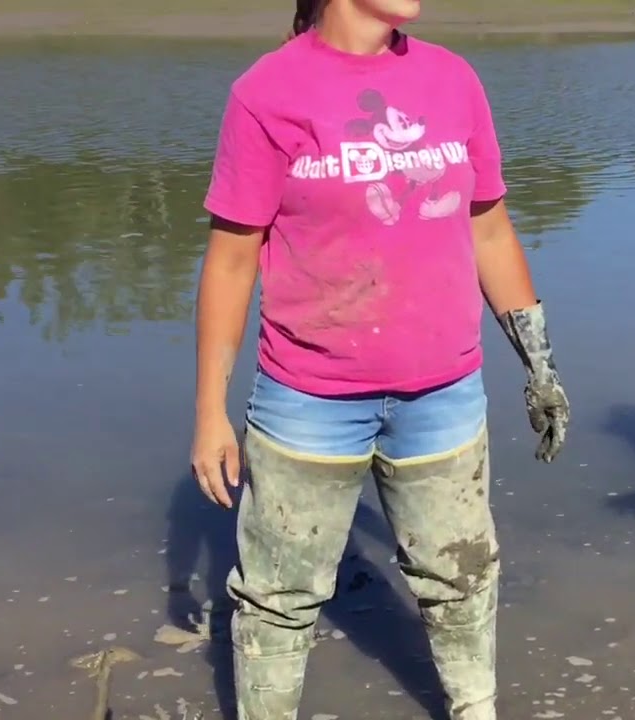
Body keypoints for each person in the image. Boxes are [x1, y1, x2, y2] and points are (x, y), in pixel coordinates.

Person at [187, 0, 571, 717]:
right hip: (309, 399)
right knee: (278, 598)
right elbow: (232, 260)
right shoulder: (266, 93)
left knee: (461, 579)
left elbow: (487, 228)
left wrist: (539, 363)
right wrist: (211, 411)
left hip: (443, 394)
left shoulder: (453, 80)